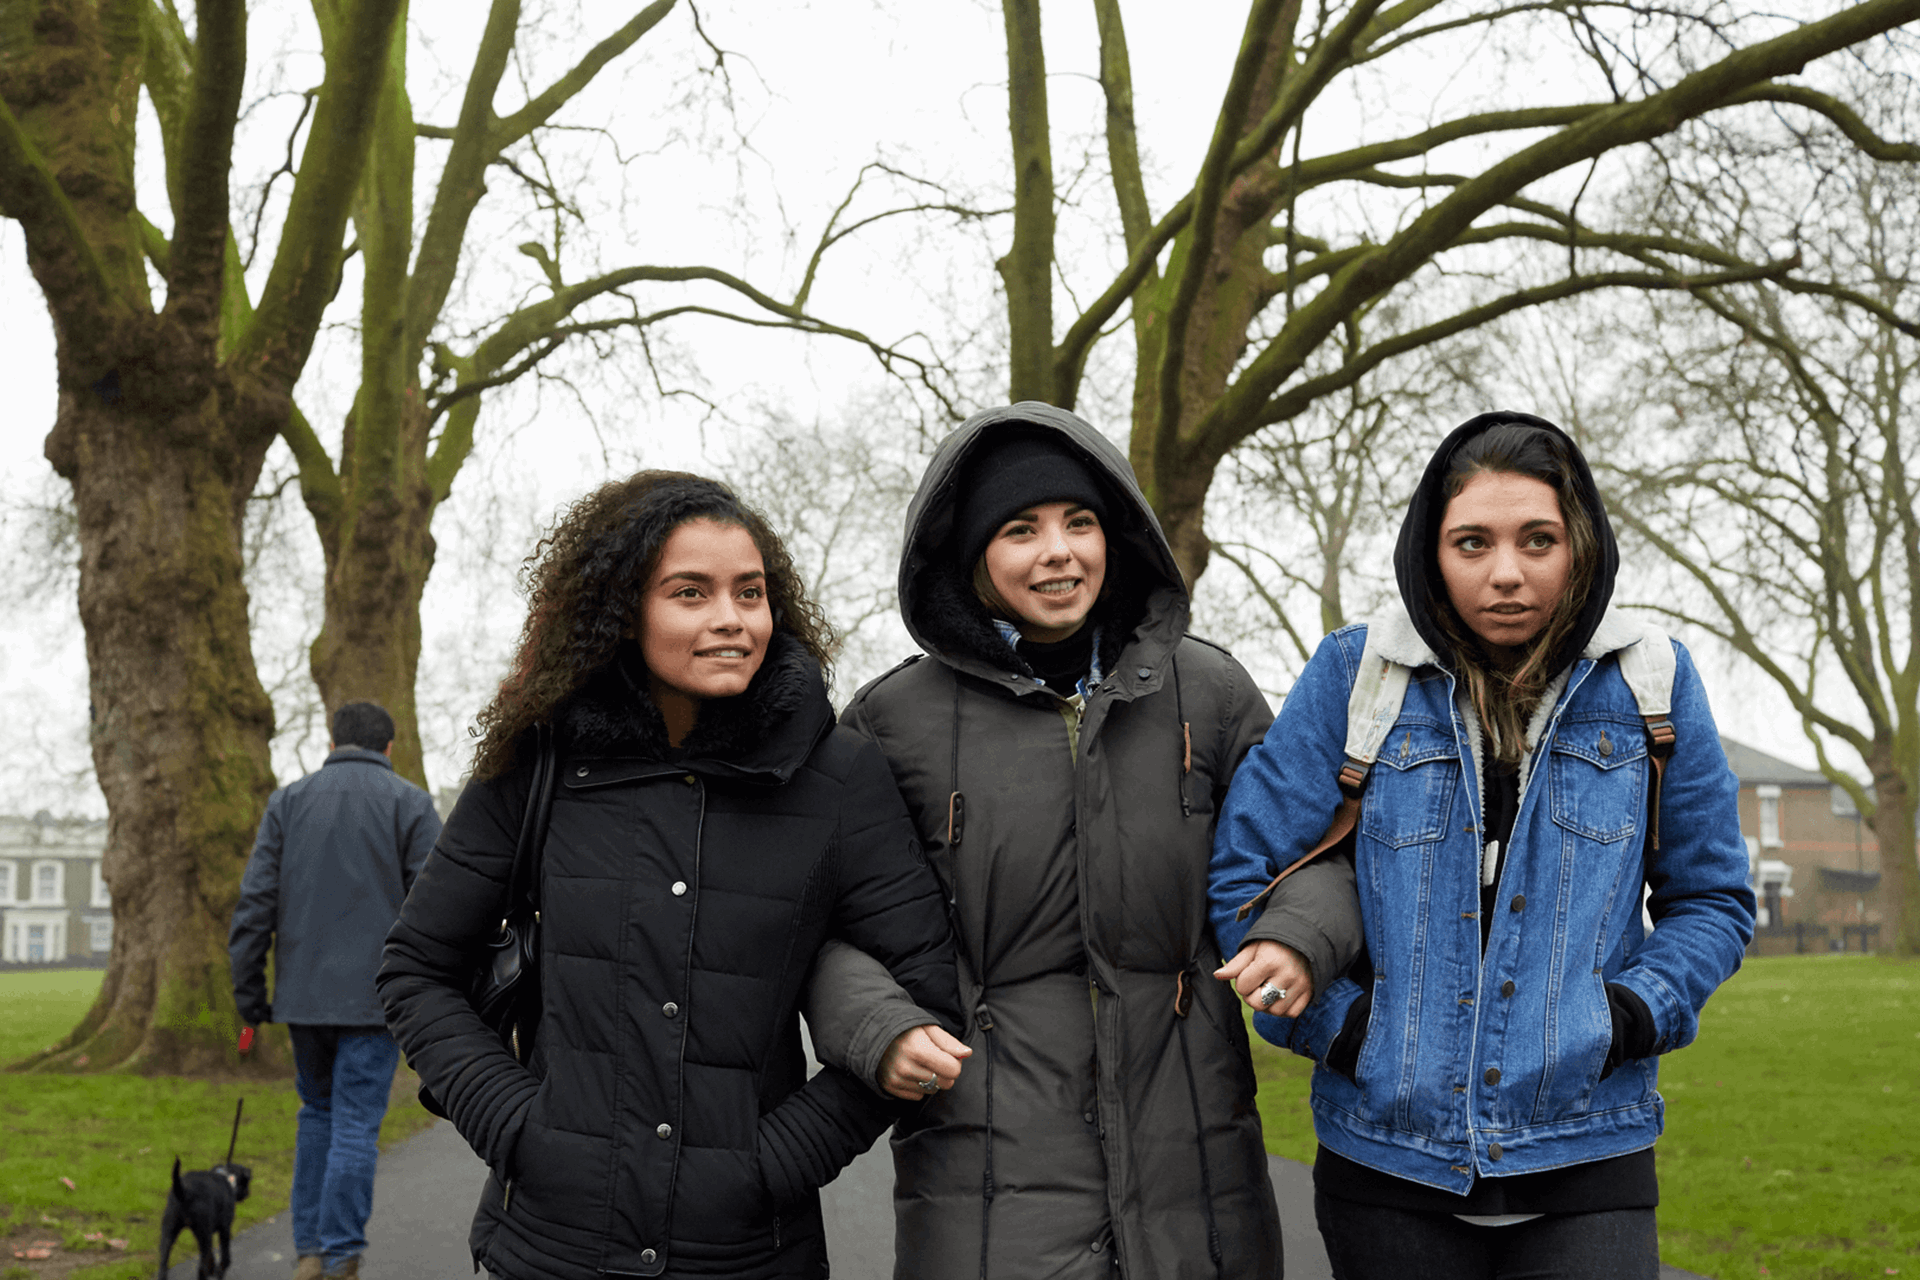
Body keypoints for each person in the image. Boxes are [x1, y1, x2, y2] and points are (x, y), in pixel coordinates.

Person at [802, 403, 1361, 1279]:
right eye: (1021, 529)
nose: (1058, 551)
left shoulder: (1209, 690)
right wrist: (878, 1025)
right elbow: (827, 920)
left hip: (1201, 1187)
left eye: (1080, 523)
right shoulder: (889, 722)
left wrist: (1298, 934)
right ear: (970, 554)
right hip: (984, 1191)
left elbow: (1311, 851)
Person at [1209, 413, 1758, 1280]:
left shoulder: (1653, 681)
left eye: (1537, 540)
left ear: (1579, 544)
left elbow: (1714, 898)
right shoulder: (1357, 675)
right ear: (1432, 552)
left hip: (1589, 1155)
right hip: (1384, 1164)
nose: (1507, 573)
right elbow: (1245, 878)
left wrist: (1630, 1017)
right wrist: (1347, 1032)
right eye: (1473, 543)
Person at [377, 471, 962, 1280]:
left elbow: (927, 994)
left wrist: (777, 1163)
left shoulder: (838, 776)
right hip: (551, 1248)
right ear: (623, 612)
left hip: (752, 1253)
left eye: (749, 593)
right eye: (691, 592)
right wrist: (517, 1127)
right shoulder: (539, 760)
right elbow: (416, 969)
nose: (731, 619)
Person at [229, 700, 442, 1280]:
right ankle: (342, 1253)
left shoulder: (288, 803)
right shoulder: (411, 803)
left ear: (332, 740)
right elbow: (436, 909)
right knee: (353, 1123)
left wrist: (250, 992)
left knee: (316, 1115)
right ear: (389, 748)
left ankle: (309, 1252)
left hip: (302, 997)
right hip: (377, 999)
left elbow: (255, 904)